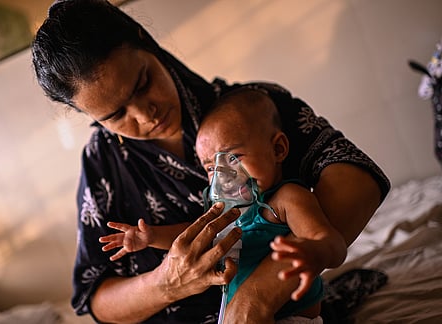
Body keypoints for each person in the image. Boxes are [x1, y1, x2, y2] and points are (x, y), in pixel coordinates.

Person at [31, 0, 390, 322]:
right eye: (115, 114)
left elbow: (357, 177)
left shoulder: (252, 109)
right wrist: (166, 284)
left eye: (142, 83)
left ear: (145, 40)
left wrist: (259, 292)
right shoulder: (102, 166)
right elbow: (95, 298)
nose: (145, 114)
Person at [100, 88, 348, 322]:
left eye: (233, 157)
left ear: (278, 149)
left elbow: (332, 243)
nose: (224, 175)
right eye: (210, 168)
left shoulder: (287, 199)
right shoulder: (229, 212)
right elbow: (195, 237)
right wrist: (151, 236)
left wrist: (313, 253)